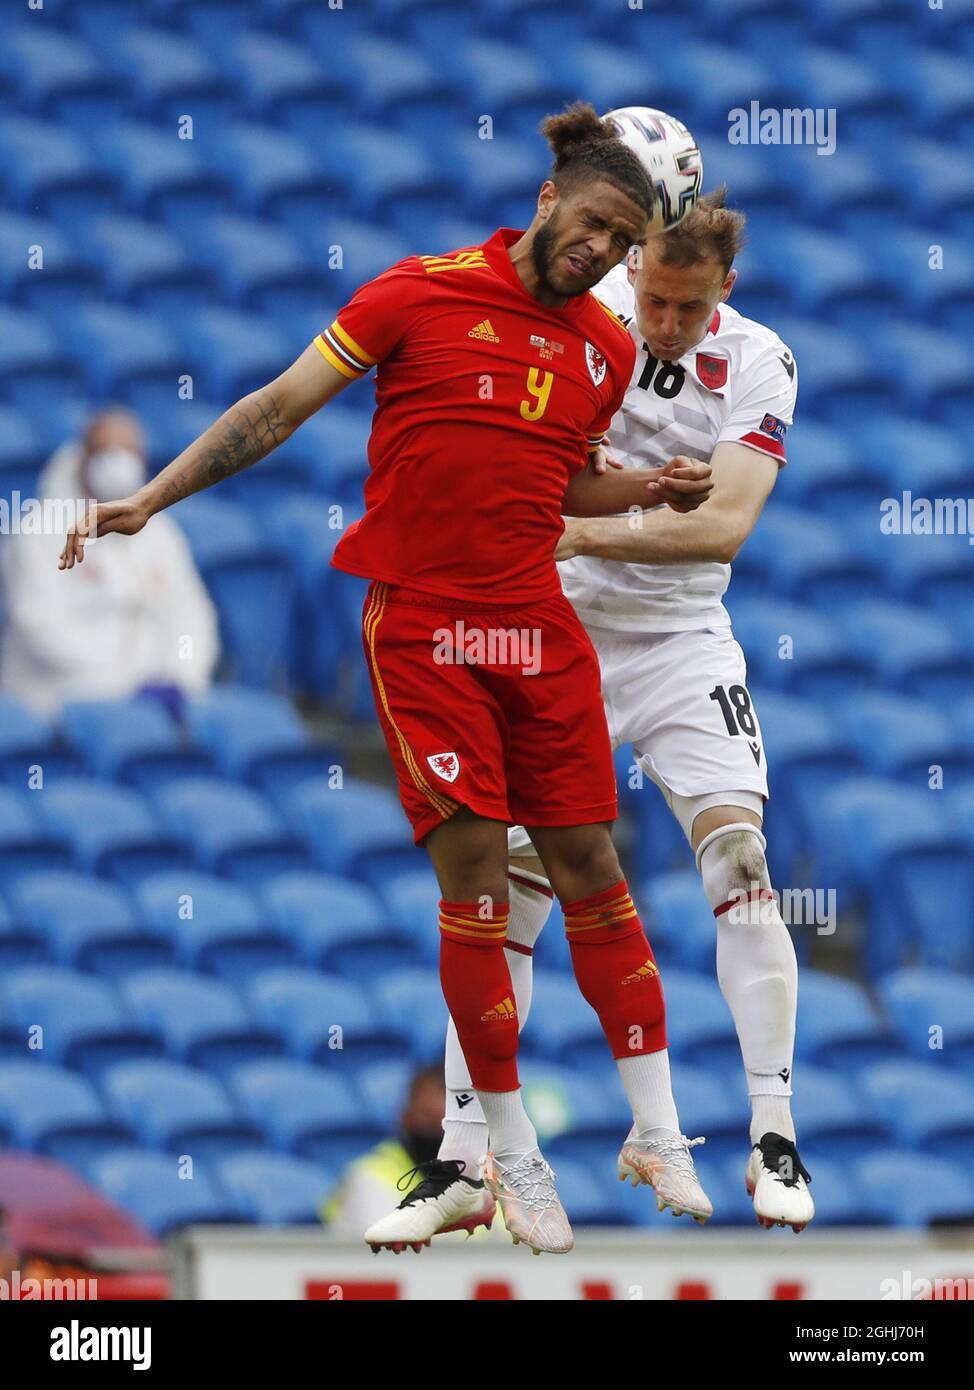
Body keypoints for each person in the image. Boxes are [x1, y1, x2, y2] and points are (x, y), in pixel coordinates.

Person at [60, 104, 714, 1256]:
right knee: (473, 868)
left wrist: (641, 493)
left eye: (622, 243)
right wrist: (151, 497)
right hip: (424, 624)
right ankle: (505, 1155)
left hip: (534, 624)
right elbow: (275, 408)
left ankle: (656, 1129)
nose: (602, 253)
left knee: (587, 862)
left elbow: (555, 485)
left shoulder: (607, 350)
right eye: (597, 224)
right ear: (550, 193)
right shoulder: (413, 292)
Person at [367, 189, 814, 1250]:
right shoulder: (578, 319)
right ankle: (467, 1159)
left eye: (685, 309)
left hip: (676, 639)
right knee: (502, 882)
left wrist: (575, 533)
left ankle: (770, 1133)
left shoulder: (760, 361)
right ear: (633, 274)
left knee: (738, 860)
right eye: (651, 300)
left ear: (724, 293)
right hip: (549, 623)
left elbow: (724, 528)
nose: (663, 325)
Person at [1, 408, 219, 717]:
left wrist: (180, 678)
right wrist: (124, 685)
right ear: (83, 458)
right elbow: (37, 624)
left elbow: (191, 615)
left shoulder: (161, 534)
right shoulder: (40, 531)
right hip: (57, 702)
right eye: (108, 452)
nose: (119, 463)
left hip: (150, 703)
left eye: (129, 452)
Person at [322, 1065, 465, 1244]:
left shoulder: (490, 1183)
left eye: (451, 1125)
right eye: (429, 1120)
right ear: (405, 1119)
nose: (440, 1133)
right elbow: (391, 1255)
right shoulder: (371, 1178)